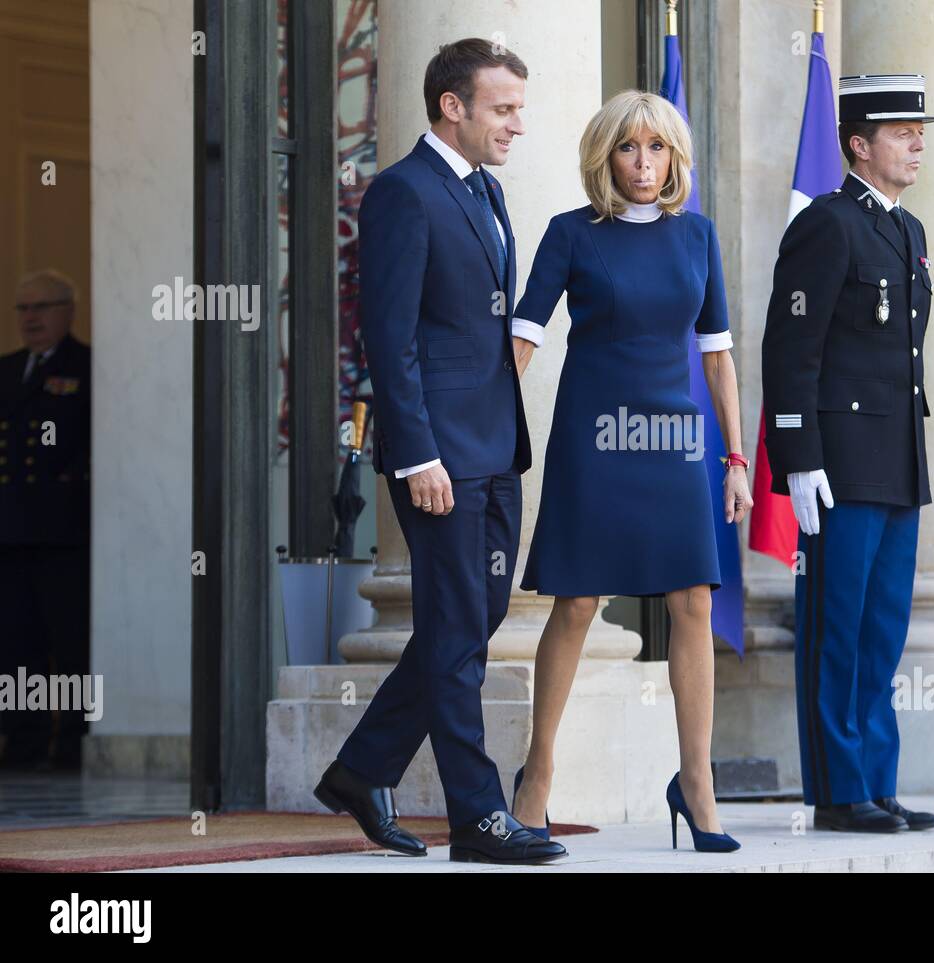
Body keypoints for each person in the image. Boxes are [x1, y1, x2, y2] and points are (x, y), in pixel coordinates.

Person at [314, 38, 566, 864]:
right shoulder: (400, 194)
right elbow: (389, 340)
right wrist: (415, 452)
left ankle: (362, 768)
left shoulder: (486, 190)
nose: (517, 124)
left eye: (519, 109)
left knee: (476, 618)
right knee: (456, 629)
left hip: (495, 447)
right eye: (503, 108)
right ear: (452, 106)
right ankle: (477, 816)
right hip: (440, 456)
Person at [508, 90, 751, 853]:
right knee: (577, 602)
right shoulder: (571, 235)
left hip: (675, 440)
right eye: (628, 148)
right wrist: (468, 432)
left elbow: (718, 357)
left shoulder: (698, 237)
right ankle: (537, 775)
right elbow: (521, 339)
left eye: (657, 148)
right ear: (604, 157)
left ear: (674, 158)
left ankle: (696, 781)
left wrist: (736, 459)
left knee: (692, 603)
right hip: (594, 435)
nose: (644, 163)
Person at [760, 74, 934, 833]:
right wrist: (797, 456)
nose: (919, 141)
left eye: (919, 129)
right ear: (859, 145)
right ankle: (838, 791)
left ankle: (877, 779)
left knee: (882, 627)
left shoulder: (908, 230)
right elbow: (790, 346)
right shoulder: (827, 225)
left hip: (895, 458)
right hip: (836, 463)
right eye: (902, 131)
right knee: (836, 625)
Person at [0, 269, 91, 771]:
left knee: (68, 643)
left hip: (63, 530)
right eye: (22, 309)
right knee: (16, 645)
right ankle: (23, 740)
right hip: (10, 530)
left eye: (42, 307)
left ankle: (71, 742)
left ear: (67, 311)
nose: (31, 318)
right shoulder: (8, 369)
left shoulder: (86, 366)